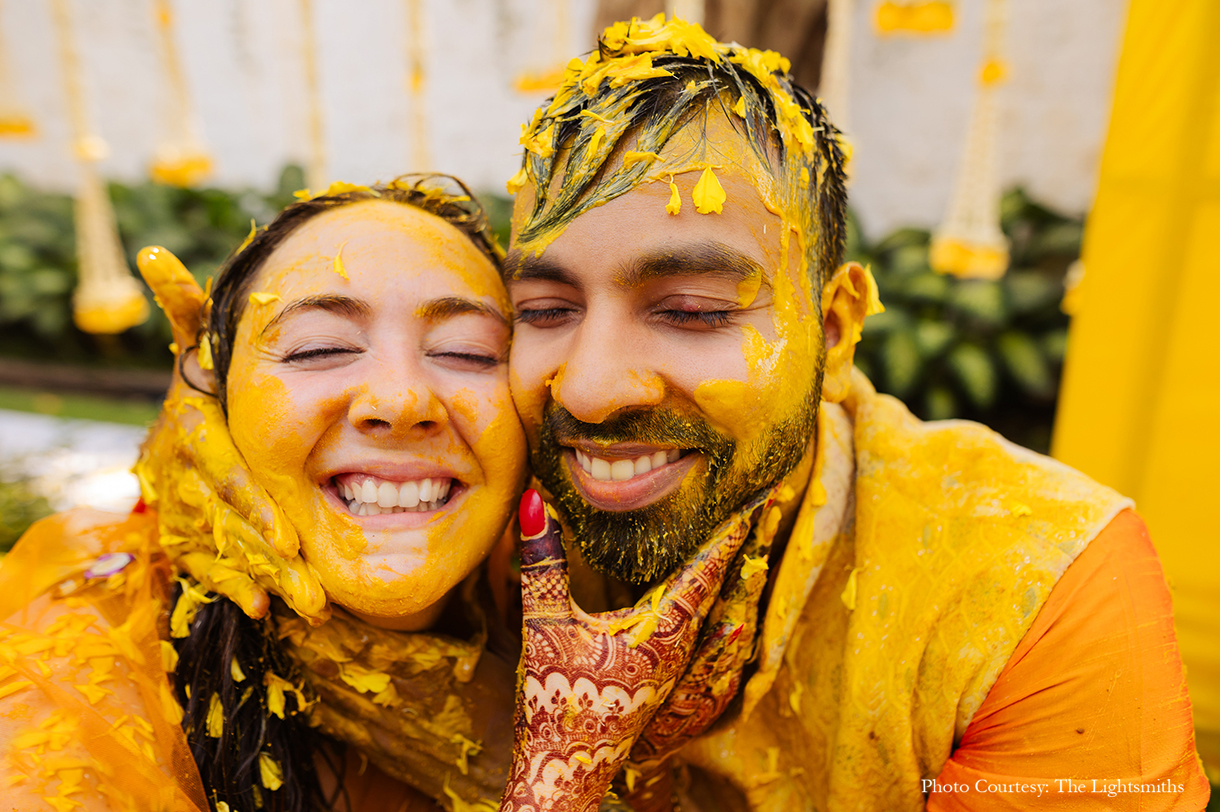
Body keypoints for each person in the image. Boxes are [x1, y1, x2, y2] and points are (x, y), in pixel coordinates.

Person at [109, 16, 1212, 812]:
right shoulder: (466, 486)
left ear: (832, 331)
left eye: (686, 308)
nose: (591, 387)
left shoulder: (1021, 582)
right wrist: (199, 481)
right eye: (540, 307)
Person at [0, 174, 746, 812]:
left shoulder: (636, 630)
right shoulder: (73, 684)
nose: (399, 398)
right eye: (319, 348)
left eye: (467, 353)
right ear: (213, 412)